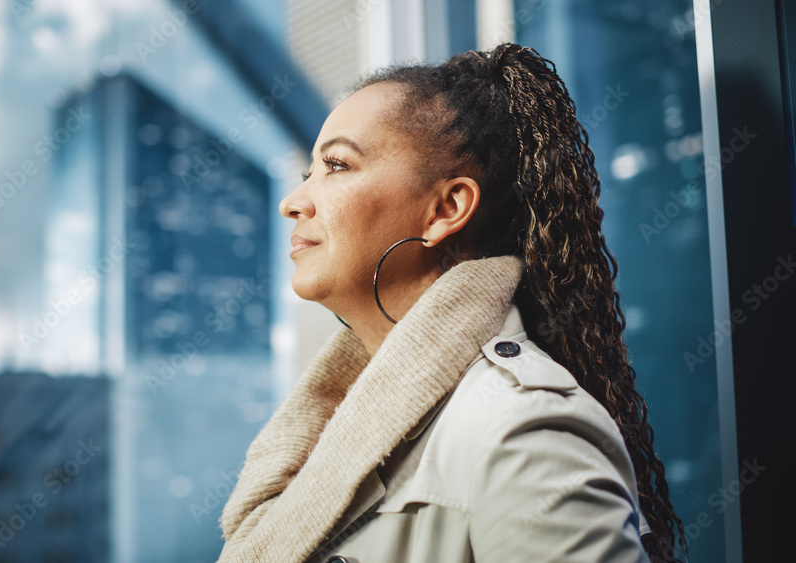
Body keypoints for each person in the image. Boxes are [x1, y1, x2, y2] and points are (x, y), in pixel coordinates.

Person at [216, 43, 686, 563]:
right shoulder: (332, 426)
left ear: (446, 208)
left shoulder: (521, 432)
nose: (294, 201)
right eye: (311, 171)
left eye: (336, 165)